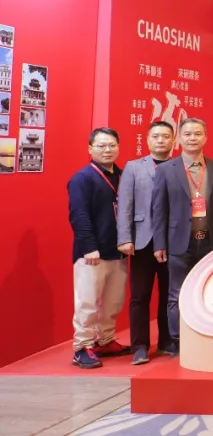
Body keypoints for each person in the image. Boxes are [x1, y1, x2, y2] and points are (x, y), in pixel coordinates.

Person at [151, 118, 213, 354]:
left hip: (210, 242)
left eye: (198, 134)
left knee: (209, 292)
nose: (193, 138)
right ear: (179, 139)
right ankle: (178, 342)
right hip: (178, 242)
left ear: (205, 138)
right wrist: (159, 243)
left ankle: (207, 337)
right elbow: (158, 209)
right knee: (176, 294)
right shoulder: (166, 170)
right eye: (188, 134)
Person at [68, 127, 130, 368]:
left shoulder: (123, 175)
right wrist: (88, 247)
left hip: (118, 250)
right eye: (101, 145)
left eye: (112, 145)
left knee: (113, 302)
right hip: (92, 254)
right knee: (87, 302)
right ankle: (81, 347)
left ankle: (104, 340)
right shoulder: (82, 178)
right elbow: (79, 214)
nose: (107, 150)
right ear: (90, 149)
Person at [117, 121, 176, 364]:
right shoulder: (133, 167)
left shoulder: (178, 166)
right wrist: (125, 238)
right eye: (156, 136)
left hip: (172, 240)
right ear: (148, 139)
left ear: (173, 140)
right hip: (142, 240)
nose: (161, 140)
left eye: (166, 136)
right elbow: (125, 205)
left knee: (169, 294)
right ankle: (140, 346)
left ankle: (167, 341)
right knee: (140, 296)